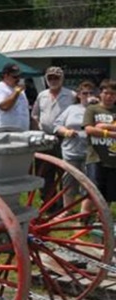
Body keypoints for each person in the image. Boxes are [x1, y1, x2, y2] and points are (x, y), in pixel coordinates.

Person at [31, 66, 77, 207]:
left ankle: (65, 205)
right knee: (44, 172)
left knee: (64, 172)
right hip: (45, 138)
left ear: (62, 79)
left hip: (64, 138)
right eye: (50, 77)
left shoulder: (71, 95)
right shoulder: (42, 95)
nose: (53, 80)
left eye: (56, 77)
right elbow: (35, 115)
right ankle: (49, 204)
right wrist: (37, 130)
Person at [54, 80, 97, 212]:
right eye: (84, 93)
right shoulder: (71, 109)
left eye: (91, 93)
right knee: (69, 181)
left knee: (88, 184)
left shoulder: (97, 109)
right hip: (71, 151)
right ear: (78, 95)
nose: (87, 96)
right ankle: (67, 210)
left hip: (90, 152)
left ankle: (84, 213)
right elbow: (57, 125)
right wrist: (66, 132)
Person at [0, 63, 30, 129]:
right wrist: (16, 92)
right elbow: (4, 106)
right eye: (15, 77)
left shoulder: (20, 91)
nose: (18, 79)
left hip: (23, 131)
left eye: (19, 76)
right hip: (6, 131)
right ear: (6, 75)